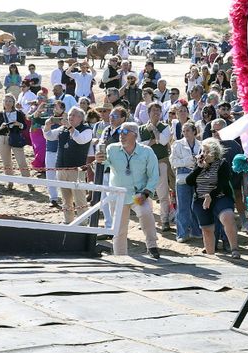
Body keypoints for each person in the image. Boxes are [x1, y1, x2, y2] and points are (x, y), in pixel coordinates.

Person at [104, 124, 161, 259]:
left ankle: (152, 245)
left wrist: (146, 193)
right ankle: (120, 256)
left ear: (135, 134)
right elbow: (102, 165)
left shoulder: (146, 151)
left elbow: (154, 175)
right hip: (118, 195)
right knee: (119, 227)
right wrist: (99, 160)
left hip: (138, 194)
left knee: (146, 212)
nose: (121, 134)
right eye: (119, 131)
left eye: (124, 131)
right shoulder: (111, 149)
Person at [187, 137, 240, 257]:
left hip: (220, 197)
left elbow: (222, 184)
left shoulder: (222, 164)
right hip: (200, 200)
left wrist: (210, 196)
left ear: (214, 152)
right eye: (202, 151)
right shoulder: (199, 164)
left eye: (206, 151)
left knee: (228, 217)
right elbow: (189, 181)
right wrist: (199, 168)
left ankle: (234, 249)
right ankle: (211, 255)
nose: (203, 154)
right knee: (207, 229)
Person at [48, 107, 95, 222]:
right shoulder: (62, 128)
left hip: (77, 169)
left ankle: (83, 223)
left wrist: (69, 127)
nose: (70, 117)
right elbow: (49, 136)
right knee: (66, 199)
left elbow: (80, 140)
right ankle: (68, 221)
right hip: (61, 168)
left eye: (73, 115)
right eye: (69, 115)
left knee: (80, 199)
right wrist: (47, 125)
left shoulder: (86, 130)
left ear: (81, 118)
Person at [170, 120, 202, 242]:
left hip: (198, 176)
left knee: (196, 205)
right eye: (183, 131)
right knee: (183, 206)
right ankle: (182, 234)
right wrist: (188, 160)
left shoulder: (201, 144)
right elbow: (173, 162)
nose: (185, 133)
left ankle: (196, 231)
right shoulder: (177, 144)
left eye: (188, 130)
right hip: (183, 177)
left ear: (194, 131)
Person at [0, 94, 31, 188]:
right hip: (3, 138)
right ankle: (10, 181)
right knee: (6, 161)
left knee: (21, 161)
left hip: (16, 137)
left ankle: (29, 182)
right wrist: (0, 128)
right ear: (3, 103)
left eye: (10, 101)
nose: (8, 103)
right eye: (6, 101)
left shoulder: (18, 113)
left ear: (13, 103)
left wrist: (19, 124)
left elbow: (25, 126)